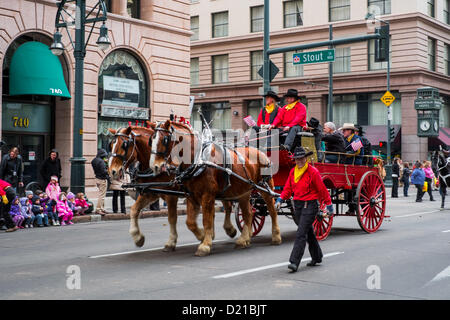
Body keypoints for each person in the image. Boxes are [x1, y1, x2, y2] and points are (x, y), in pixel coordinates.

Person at [274, 146, 332, 272]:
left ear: (305, 158)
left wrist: (329, 205)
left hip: (310, 205)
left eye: (301, 158)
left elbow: (322, 190)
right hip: (298, 206)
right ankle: (317, 257)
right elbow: (288, 189)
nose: (299, 161)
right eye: (297, 159)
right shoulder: (293, 172)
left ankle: (294, 262)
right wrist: (280, 199)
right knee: (308, 231)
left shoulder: (313, 172)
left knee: (301, 233)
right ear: (294, 160)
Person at [91, 149, 110, 215]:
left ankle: (102, 208)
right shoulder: (101, 162)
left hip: (97, 178)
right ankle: (99, 209)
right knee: (102, 195)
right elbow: (103, 171)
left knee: (101, 194)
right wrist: (108, 174)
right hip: (102, 179)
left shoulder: (94, 160)